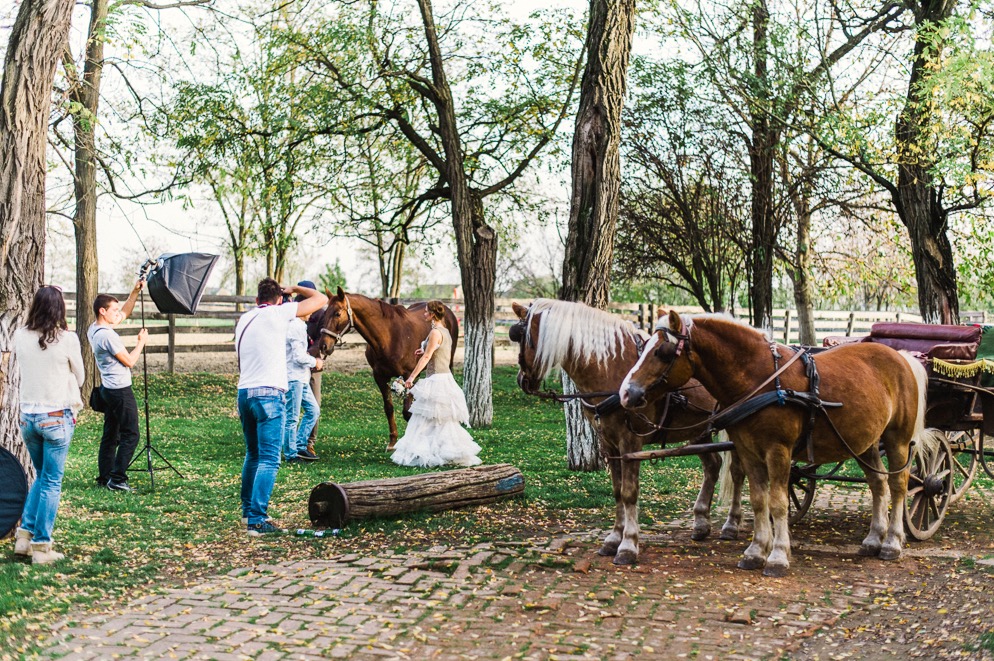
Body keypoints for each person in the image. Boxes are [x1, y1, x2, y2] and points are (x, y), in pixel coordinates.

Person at [236, 278, 327, 536]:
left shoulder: (245, 319)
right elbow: (321, 300)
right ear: (279, 299)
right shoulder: (279, 312)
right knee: (269, 459)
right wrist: (295, 290)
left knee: (252, 455)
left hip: (245, 393)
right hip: (269, 395)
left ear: (256, 300)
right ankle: (257, 519)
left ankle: (247, 512)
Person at [11, 286, 84, 564]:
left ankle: (24, 537)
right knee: (52, 481)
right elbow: (80, 376)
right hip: (56, 416)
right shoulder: (67, 339)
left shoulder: (20, 336)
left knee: (41, 477)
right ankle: (42, 546)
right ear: (60, 309)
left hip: (28, 417)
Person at [391, 300, 481, 468]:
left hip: (437, 380)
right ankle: (440, 451)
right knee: (438, 420)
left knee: (427, 419)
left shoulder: (434, 333)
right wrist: (423, 349)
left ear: (432, 314)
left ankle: (431, 452)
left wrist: (411, 378)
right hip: (446, 378)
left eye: (426, 311)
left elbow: (427, 358)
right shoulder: (444, 331)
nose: (424, 314)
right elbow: (434, 351)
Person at [88, 279, 148, 492]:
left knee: (110, 434)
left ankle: (105, 476)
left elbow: (125, 313)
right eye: (113, 310)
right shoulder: (108, 336)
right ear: (103, 311)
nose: (117, 313)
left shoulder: (94, 329)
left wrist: (134, 292)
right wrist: (141, 341)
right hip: (120, 391)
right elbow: (130, 361)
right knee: (131, 434)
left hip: (107, 390)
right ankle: (118, 478)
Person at [283, 294, 322, 463]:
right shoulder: (295, 326)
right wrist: (315, 361)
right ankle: (291, 454)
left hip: (302, 378)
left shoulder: (300, 326)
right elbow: (298, 356)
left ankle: (300, 445)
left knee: (314, 410)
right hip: (294, 378)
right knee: (292, 417)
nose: (311, 312)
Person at [302, 280, 326, 458]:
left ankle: (310, 442)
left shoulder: (322, 314)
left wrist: (308, 357)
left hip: (313, 364)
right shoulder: (294, 311)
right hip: (292, 365)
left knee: (314, 404)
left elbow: (322, 341)